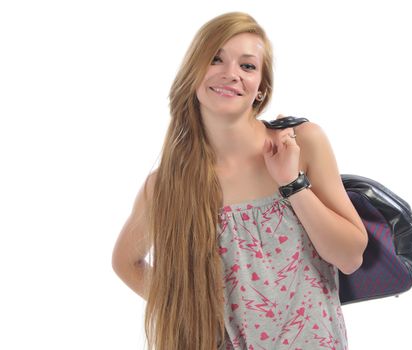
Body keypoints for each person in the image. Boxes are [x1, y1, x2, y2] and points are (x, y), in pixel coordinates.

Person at [112, 11, 368, 350]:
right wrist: (185, 308)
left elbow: (350, 257)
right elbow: (126, 262)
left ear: (261, 88)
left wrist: (291, 182)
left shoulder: (301, 143)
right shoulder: (167, 185)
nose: (231, 74)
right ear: (194, 74)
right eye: (216, 59)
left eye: (247, 66)